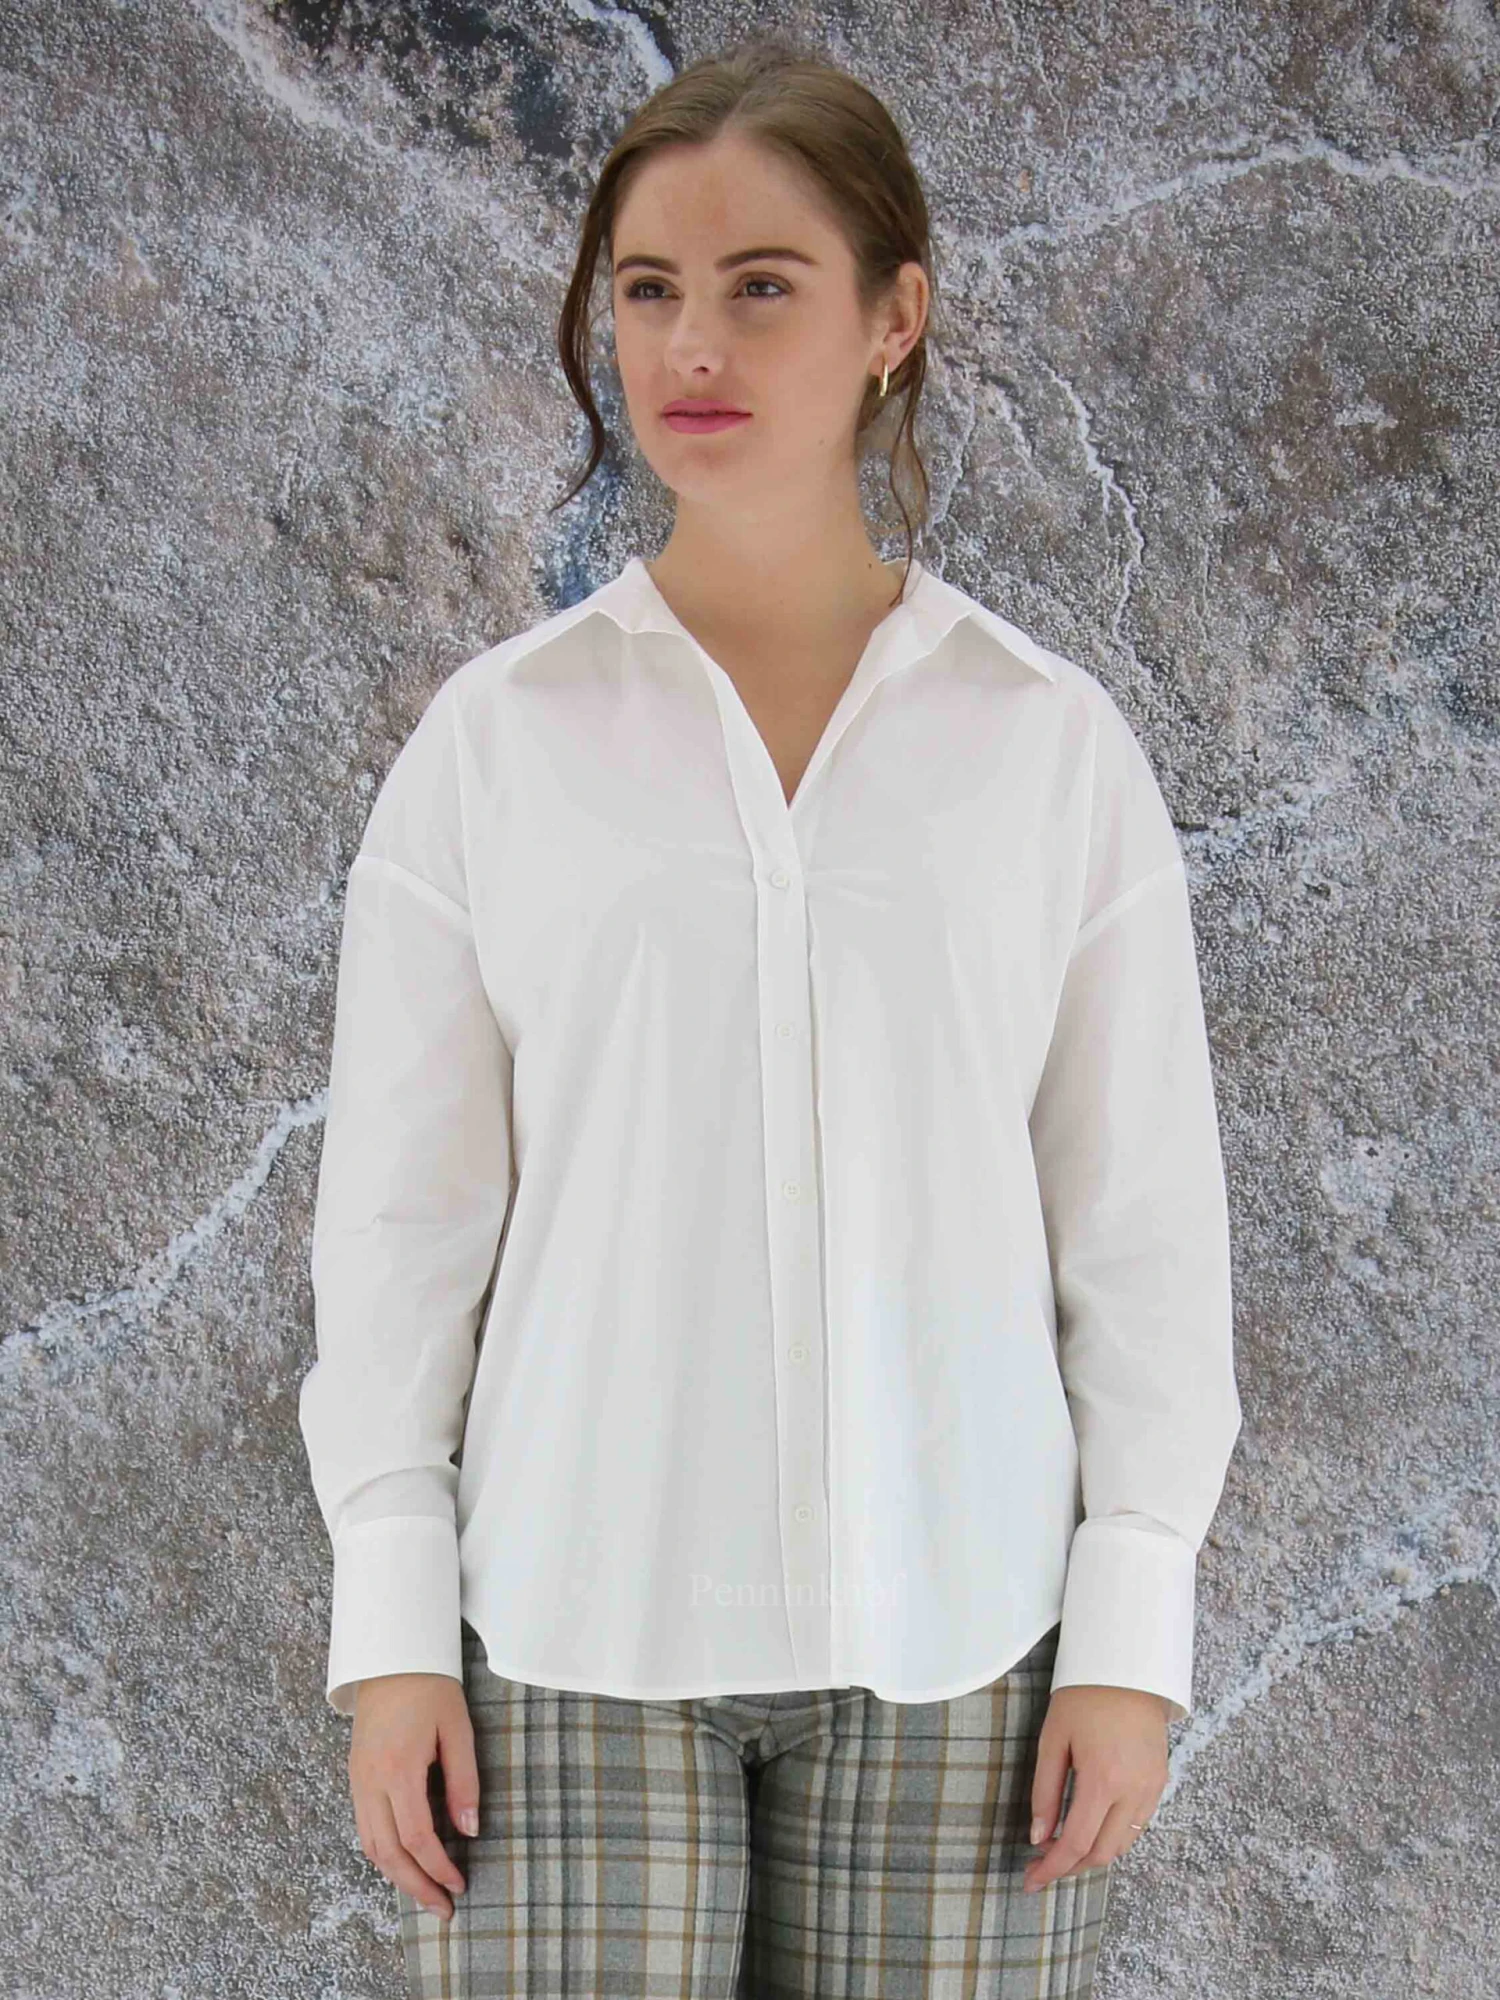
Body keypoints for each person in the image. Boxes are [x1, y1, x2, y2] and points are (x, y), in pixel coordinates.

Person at [298, 35, 1242, 2000]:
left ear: (895, 319)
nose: (692, 345)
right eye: (648, 288)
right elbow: (399, 1228)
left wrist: (1132, 1630)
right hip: (565, 1633)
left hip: (970, 1642)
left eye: (761, 285)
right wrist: (391, 1628)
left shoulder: (1048, 749)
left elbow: (1142, 1226)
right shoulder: (497, 746)